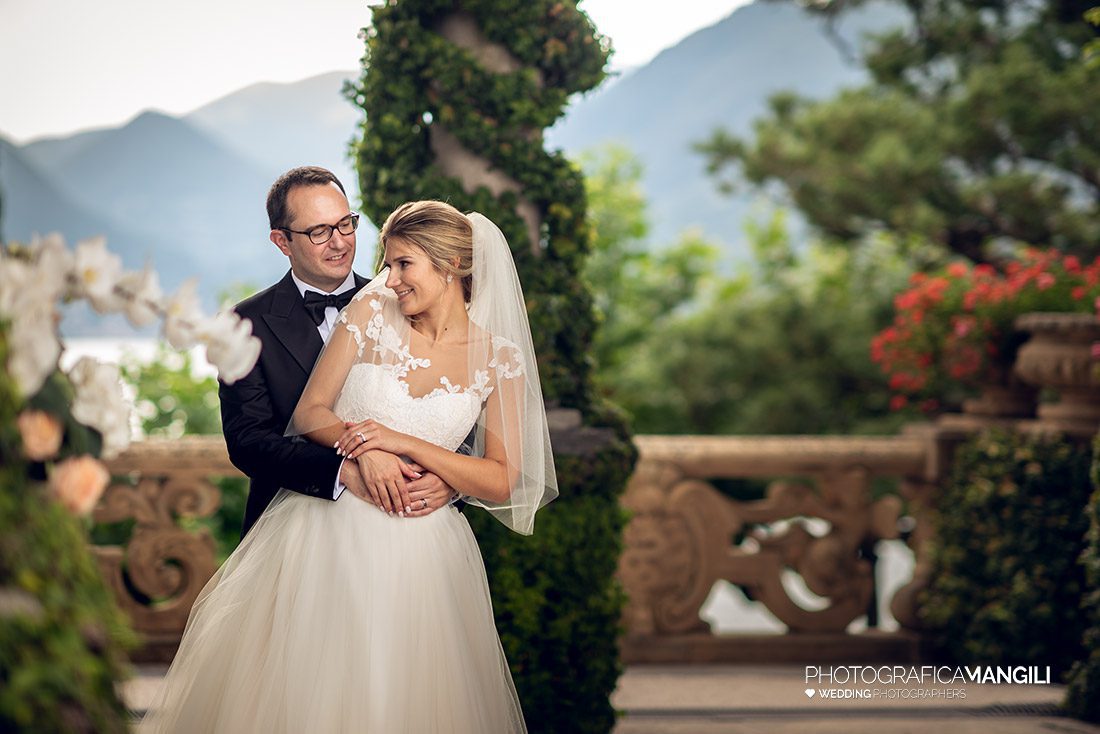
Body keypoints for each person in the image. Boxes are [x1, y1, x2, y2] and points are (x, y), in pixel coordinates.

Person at [142, 200, 557, 732]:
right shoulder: (370, 311)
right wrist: (369, 453)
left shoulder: (500, 358)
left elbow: (501, 478)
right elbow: (309, 413)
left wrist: (421, 458)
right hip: (325, 536)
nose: (389, 277)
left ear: (451, 264)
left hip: (424, 555)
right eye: (387, 263)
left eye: (403, 264)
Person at [218, 166, 456, 537]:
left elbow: (456, 400)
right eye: (319, 231)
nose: (340, 242)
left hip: (410, 529)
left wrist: (450, 482)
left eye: (346, 224)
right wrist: (347, 469)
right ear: (282, 242)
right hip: (291, 532)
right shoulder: (243, 325)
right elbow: (248, 442)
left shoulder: (407, 300)